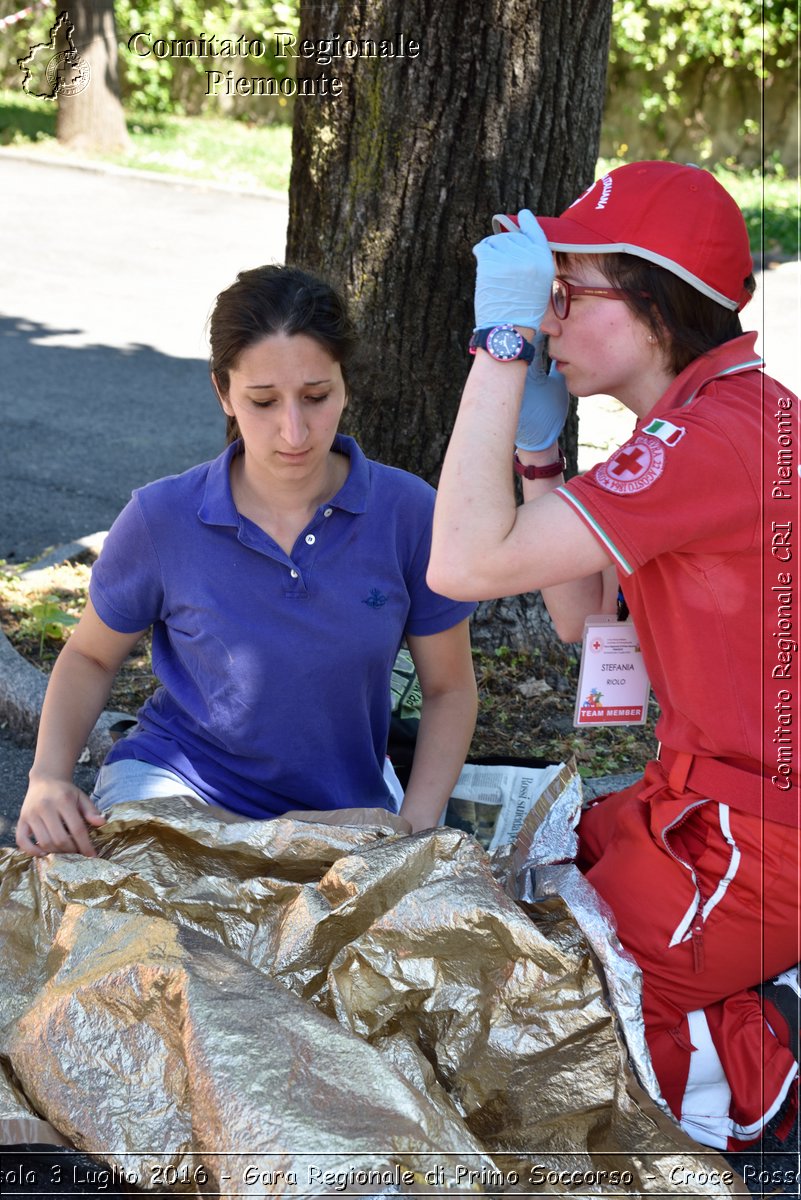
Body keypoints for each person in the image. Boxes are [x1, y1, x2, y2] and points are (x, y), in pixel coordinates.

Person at [428, 161, 800, 1152]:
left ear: (650, 303)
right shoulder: (711, 420)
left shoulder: (713, 440)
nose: (547, 319)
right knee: (532, 920)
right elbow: (586, 623)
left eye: (563, 293)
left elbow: (461, 563)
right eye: (538, 300)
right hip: (715, 805)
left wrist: (498, 345)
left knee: (565, 1025)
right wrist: (544, 458)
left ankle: (774, 1045)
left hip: (765, 835)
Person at [17, 265, 478, 856]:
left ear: (346, 385)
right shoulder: (161, 518)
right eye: (263, 401)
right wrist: (48, 778)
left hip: (342, 812)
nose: (294, 430)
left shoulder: (409, 512)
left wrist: (416, 827)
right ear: (223, 392)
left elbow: (447, 689)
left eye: (316, 397)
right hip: (178, 789)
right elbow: (87, 655)